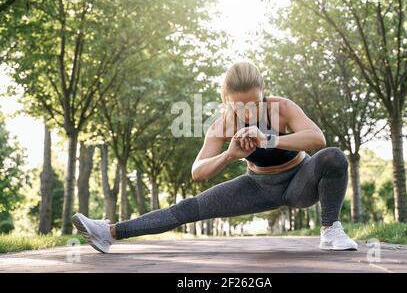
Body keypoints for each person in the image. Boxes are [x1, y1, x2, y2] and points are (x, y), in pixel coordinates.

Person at [72, 61, 358, 253]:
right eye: (240, 106)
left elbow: (317, 139)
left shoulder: (281, 108)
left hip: (300, 182)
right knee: (189, 207)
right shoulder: (221, 126)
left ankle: (331, 230)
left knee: (333, 157)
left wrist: (268, 138)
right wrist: (230, 155)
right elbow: (198, 172)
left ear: (263, 94)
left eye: (254, 103)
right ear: (226, 100)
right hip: (257, 186)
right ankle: (110, 232)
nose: (248, 112)